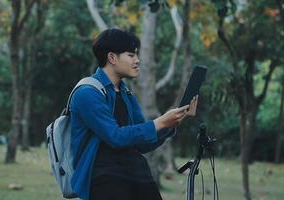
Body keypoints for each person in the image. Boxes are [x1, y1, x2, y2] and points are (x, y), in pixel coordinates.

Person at [69, 28, 198, 200]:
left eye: (137, 55)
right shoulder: (87, 93)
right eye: (131, 55)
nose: (137, 61)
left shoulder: (125, 93)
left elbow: (143, 144)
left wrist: (174, 122)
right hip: (105, 179)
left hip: (137, 174)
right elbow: (115, 137)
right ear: (112, 58)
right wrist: (159, 122)